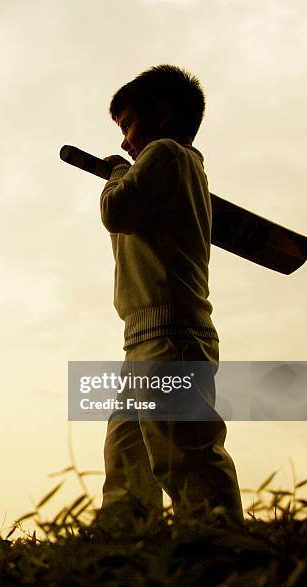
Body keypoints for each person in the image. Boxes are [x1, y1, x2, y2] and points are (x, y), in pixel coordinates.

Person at [98, 65, 244, 525]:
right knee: (128, 454)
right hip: (143, 336)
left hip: (173, 333)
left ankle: (220, 548)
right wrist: (126, 173)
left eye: (127, 125)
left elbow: (117, 212)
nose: (124, 141)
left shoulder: (167, 155)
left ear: (161, 116)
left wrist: (116, 176)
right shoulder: (179, 171)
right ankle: (128, 550)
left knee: (185, 452)